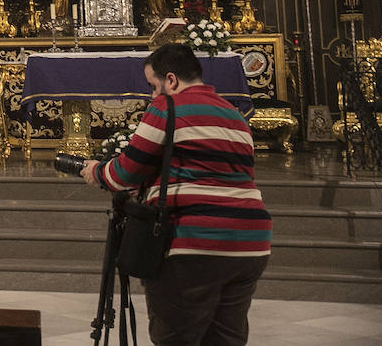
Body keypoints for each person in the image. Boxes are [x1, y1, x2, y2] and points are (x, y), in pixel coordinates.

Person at [80, 43, 272, 346]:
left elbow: (124, 173)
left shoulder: (167, 107)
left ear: (171, 80)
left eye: (154, 86)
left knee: (176, 338)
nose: (153, 95)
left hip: (194, 242)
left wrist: (97, 172)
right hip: (251, 244)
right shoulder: (235, 115)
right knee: (226, 339)